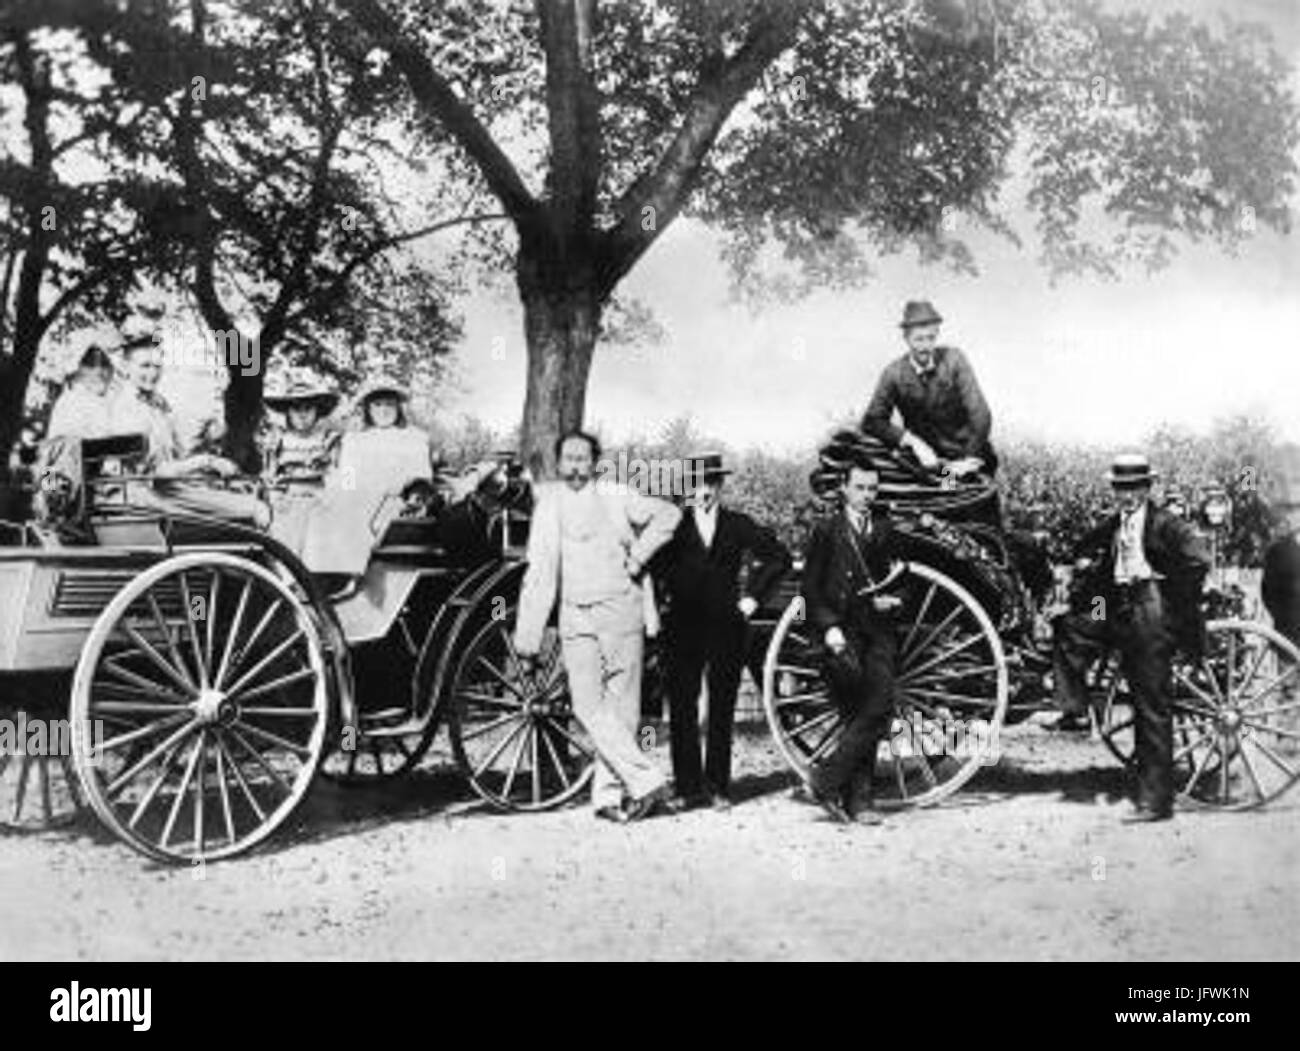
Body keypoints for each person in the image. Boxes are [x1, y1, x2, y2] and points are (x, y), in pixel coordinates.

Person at [514, 430, 681, 823]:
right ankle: (647, 780)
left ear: (595, 462)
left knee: (622, 708)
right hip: (575, 615)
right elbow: (538, 572)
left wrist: (638, 557)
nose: (575, 466)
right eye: (569, 459)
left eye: (583, 459)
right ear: (559, 464)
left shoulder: (617, 495)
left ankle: (607, 797)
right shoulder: (549, 506)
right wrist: (529, 636)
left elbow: (669, 515)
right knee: (588, 706)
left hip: (621, 609)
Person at [1052, 453, 1211, 822]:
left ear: (1147, 488)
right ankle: (1073, 709)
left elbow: (1198, 560)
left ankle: (1157, 802)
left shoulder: (1165, 524)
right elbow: (1081, 547)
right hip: (1112, 606)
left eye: (1134, 488)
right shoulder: (1114, 525)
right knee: (1070, 628)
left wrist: (1170, 596)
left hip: (1149, 611)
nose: (1126, 495)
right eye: (1120, 488)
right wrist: (1080, 567)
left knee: (1149, 705)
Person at [658, 452, 790, 811]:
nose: (702, 492)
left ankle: (718, 787)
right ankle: (687, 789)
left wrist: (752, 599)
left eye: (709, 484)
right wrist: (658, 606)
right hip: (682, 627)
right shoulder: (671, 525)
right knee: (682, 708)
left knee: (722, 707)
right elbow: (651, 566)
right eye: (695, 485)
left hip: (725, 627)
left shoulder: (737, 524)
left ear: (719, 486)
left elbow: (779, 556)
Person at [802, 456, 906, 824]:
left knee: (878, 708)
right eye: (860, 488)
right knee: (854, 713)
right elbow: (810, 588)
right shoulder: (826, 531)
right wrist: (828, 627)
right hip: (842, 635)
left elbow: (907, 580)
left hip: (878, 632)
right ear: (844, 488)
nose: (866, 495)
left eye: (872, 489)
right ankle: (860, 802)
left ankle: (825, 778)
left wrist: (895, 599)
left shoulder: (885, 530)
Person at [861, 300, 996, 479]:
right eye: (919, 339)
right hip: (929, 463)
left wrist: (967, 459)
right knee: (940, 499)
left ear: (937, 334)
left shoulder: (954, 359)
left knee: (964, 498)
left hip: (966, 459)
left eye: (931, 338)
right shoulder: (893, 374)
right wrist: (912, 442)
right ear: (906, 338)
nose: (925, 347)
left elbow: (981, 415)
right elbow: (872, 420)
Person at [262, 374, 341, 553]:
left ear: (317, 411)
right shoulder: (277, 440)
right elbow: (269, 476)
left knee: (318, 555)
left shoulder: (330, 439)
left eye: (308, 408)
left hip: (322, 504)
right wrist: (275, 496)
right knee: (286, 553)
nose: (302, 415)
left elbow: (346, 474)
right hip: (287, 505)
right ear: (288, 412)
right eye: (295, 408)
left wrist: (339, 496)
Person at [46, 345, 116, 442]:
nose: (99, 370)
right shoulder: (72, 401)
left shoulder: (107, 400)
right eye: (91, 364)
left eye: (104, 364)